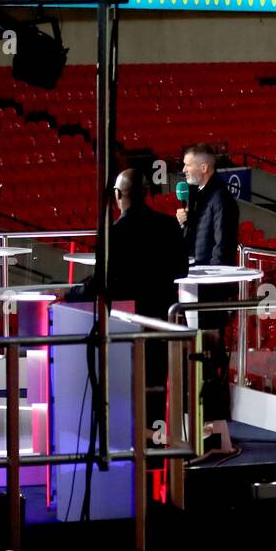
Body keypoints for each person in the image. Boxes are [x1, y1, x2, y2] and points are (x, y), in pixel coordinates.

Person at [68, 169, 188, 419]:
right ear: (146, 193)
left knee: (126, 391)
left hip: (126, 325)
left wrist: (72, 293)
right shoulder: (168, 225)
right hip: (161, 321)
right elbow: (181, 269)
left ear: (117, 195)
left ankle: (131, 445)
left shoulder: (114, 233)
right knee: (155, 387)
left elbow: (100, 283)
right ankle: (155, 444)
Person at [176, 143, 239, 422]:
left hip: (210, 295)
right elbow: (193, 245)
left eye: (188, 165)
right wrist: (184, 223)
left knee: (212, 357)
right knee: (201, 354)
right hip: (196, 290)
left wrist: (208, 286)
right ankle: (201, 414)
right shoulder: (198, 197)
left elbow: (221, 251)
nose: (183, 170)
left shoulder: (221, 199)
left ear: (204, 167)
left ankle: (215, 417)